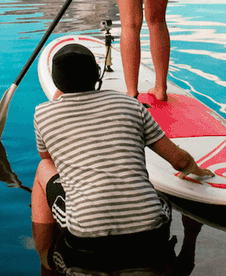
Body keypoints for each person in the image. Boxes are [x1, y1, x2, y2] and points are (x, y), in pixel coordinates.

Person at [32, 44, 213, 276]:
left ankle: (43, 252)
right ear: (97, 75)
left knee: (42, 168)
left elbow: (49, 159)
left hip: (86, 241)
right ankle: (192, 231)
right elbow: (178, 161)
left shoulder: (43, 114)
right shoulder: (132, 105)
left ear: (56, 83)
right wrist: (195, 168)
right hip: (151, 237)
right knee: (160, 198)